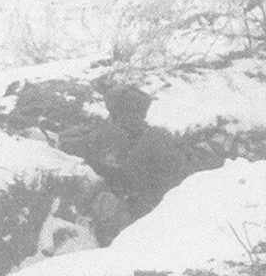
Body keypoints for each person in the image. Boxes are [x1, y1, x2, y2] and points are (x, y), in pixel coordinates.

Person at [58, 85, 190, 243]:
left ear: (118, 113)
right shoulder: (159, 135)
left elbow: (70, 144)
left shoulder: (116, 135)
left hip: (138, 213)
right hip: (169, 208)